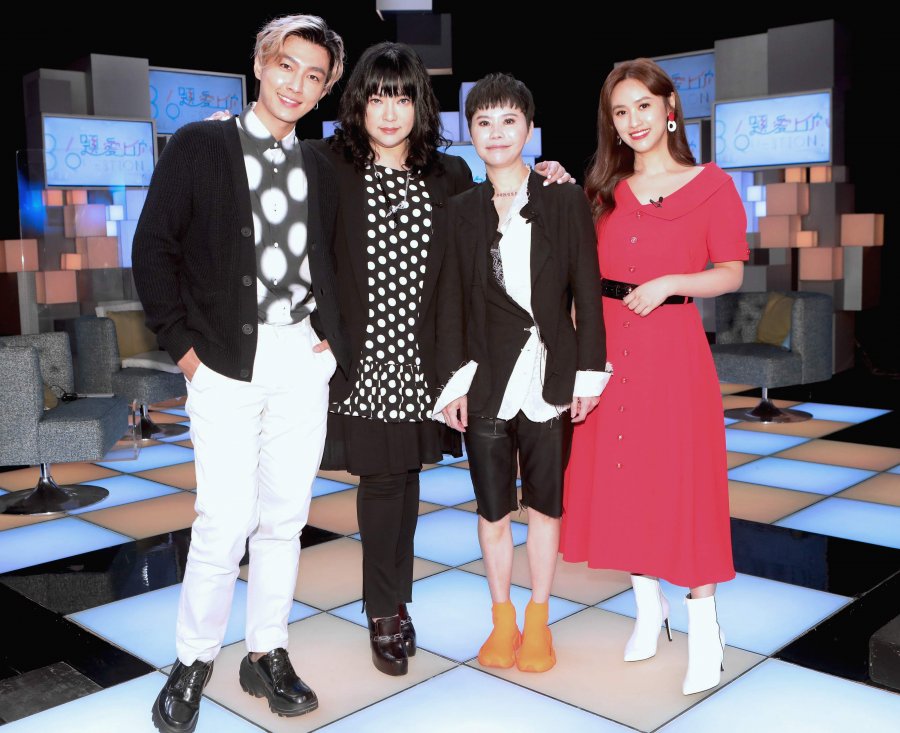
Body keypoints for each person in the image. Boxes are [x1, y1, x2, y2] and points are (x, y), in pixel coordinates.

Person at [310, 42, 572, 677]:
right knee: (382, 483)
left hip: (429, 362)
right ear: (358, 103)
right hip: (365, 361)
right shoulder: (327, 163)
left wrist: (551, 176)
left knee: (407, 482)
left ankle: (396, 600)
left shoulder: (447, 174)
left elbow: (502, 207)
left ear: (420, 106)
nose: (389, 112)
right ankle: (385, 611)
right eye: (377, 98)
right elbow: (300, 241)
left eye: (402, 98)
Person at [132, 15, 348, 733]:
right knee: (224, 519)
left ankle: (266, 651)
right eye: (287, 66)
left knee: (285, 518)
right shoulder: (201, 144)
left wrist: (329, 337)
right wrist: (184, 349)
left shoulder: (320, 163)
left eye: (314, 76)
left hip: (301, 358)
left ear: (324, 89)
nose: (297, 84)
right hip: (222, 361)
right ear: (260, 64)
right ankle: (193, 659)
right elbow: (153, 249)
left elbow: (343, 251)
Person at [559, 58, 748, 695]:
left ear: (670, 108)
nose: (633, 120)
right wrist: (585, 361)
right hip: (611, 350)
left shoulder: (711, 185)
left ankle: (706, 631)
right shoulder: (604, 190)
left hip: (672, 351)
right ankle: (648, 609)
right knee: (621, 480)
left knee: (684, 486)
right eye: (620, 111)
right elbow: (581, 280)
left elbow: (730, 271)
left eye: (643, 105)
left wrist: (670, 282)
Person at [434, 73, 608, 673]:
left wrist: (588, 375)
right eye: (483, 122)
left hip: (549, 376)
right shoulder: (460, 210)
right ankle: (502, 618)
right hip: (485, 380)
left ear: (529, 129)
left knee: (545, 507)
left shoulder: (563, 198)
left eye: (509, 120)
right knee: (491, 511)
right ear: (470, 132)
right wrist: (453, 382)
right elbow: (449, 303)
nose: (497, 132)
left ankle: (538, 620)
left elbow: (587, 292)